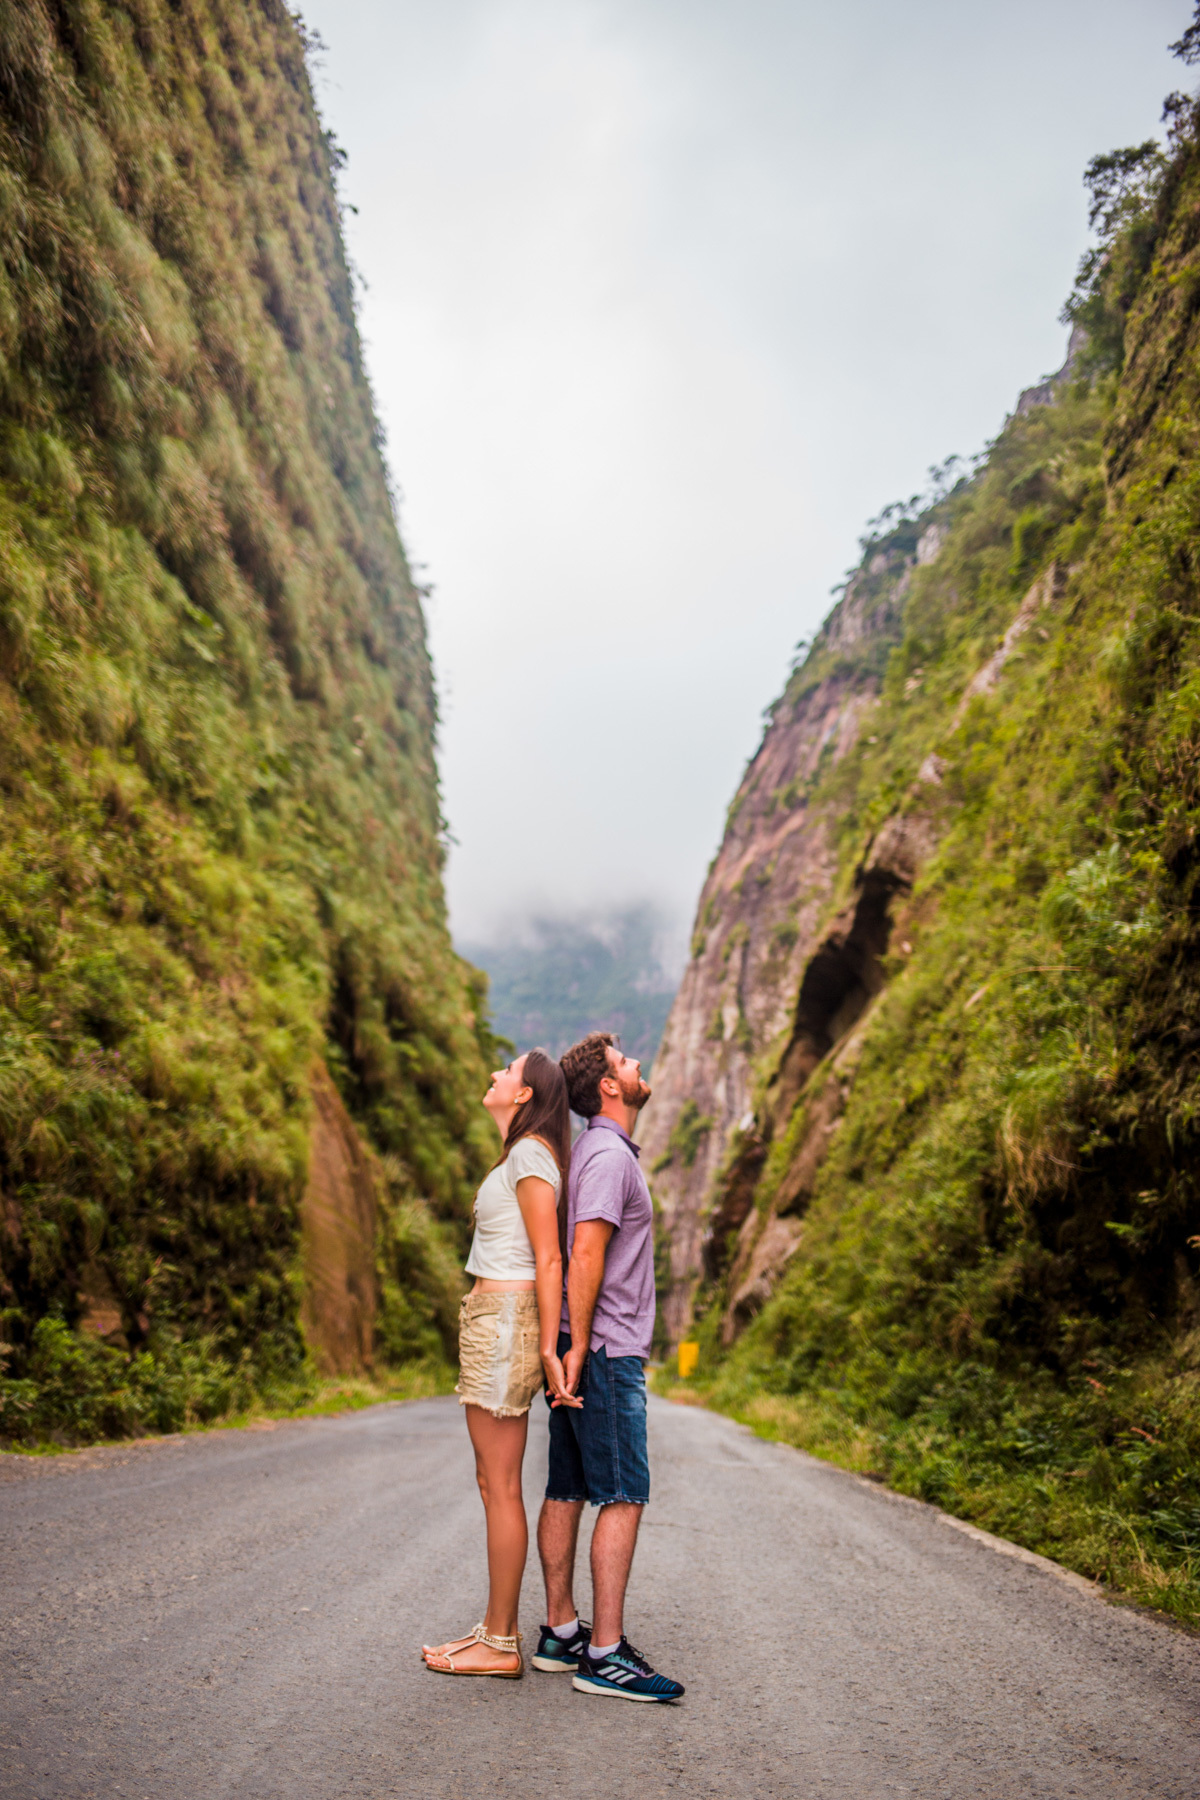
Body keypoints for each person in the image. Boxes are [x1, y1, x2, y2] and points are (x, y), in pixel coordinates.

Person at [531, 1031, 685, 1703]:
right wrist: (581, 1346)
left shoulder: (597, 1152)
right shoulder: (607, 1158)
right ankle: (604, 1655)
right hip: (604, 1350)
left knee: (567, 1487)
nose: (638, 1065)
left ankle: (562, 1633)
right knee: (622, 1494)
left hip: (582, 1344)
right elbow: (587, 1253)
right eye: (626, 1062)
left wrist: (569, 1342)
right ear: (610, 1088)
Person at [422, 1049, 578, 1679]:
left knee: (501, 1485)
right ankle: (496, 1630)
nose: (494, 1073)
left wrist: (546, 1349)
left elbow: (549, 1257)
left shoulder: (532, 1153)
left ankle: (501, 1643)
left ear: (524, 1095)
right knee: (492, 1484)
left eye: (507, 1071)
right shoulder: (522, 1154)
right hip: (496, 1320)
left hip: (510, 1321)